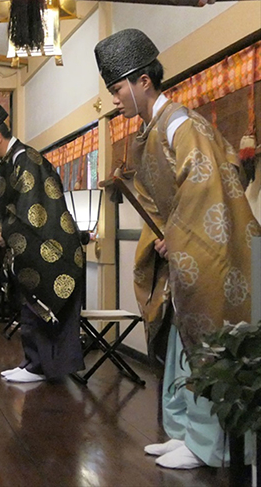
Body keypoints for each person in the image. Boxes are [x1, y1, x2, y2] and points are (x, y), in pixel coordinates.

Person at [94, 28, 258, 469]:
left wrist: (179, 239)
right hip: (183, 247)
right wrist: (165, 237)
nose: (115, 100)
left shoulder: (182, 124)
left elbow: (205, 191)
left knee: (205, 344)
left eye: (116, 90)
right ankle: (185, 430)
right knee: (180, 343)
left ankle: (208, 445)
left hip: (208, 249)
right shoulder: (151, 130)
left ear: (142, 81)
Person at [0, 101, 85, 383]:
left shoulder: (27, 161)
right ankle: (33, 363)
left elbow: (32, 211)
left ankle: (41, 367)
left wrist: (6, 233)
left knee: (42, 308)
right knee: (29, 307)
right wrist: (4, 233)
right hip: (34, 250)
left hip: (55, 253)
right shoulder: (12, 162)